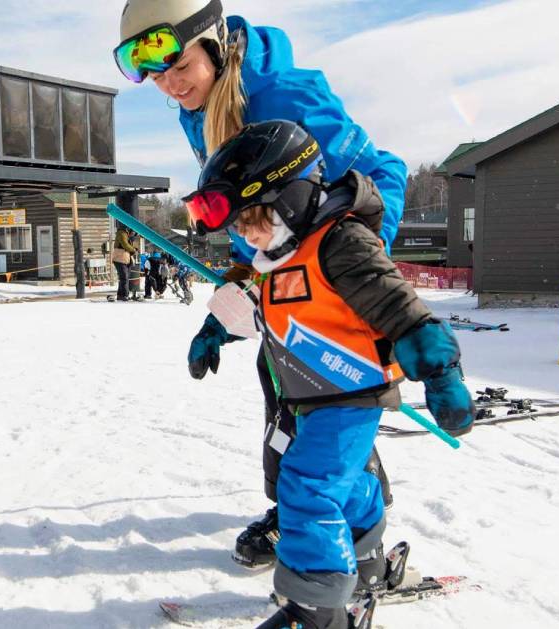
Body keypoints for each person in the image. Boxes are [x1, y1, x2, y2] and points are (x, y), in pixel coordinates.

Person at [114, 0, 409, 570]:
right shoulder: (200, 104)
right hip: (289, 249)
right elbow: (262, 209)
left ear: (214, 45)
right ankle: (310, 507)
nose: (169, 85)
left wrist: (351, 282)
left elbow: (359, 183)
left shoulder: (277, 99)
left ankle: (340, 512)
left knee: (325, 392)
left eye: (179, 68)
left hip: (351, 231)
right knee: (283, 385)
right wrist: (238, 291)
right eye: (154, 75)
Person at [185, 120, 473, 628]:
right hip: (312, 398)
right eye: (238, 227)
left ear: (293, 198)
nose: (247, 235)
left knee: (306, 486)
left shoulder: (341, 244)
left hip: (352, 397)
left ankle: (315, 608)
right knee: (340, 484)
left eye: (254, 219)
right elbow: (258, 306)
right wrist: (215, 330)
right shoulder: (277, 253)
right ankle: (366, 559)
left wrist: (442, 375)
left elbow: (404, 311)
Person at [112, 225, 137, 301]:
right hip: (120, 258)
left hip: (126, 259)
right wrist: (133, 249)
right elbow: (125, 245)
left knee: (124, 278)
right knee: (124, 277)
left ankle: (120, 295)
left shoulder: (127, 234)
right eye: (132, 232)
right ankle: (124, 295)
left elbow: (129, 246)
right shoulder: (121, 233)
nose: (132, 234)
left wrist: (133, 247)